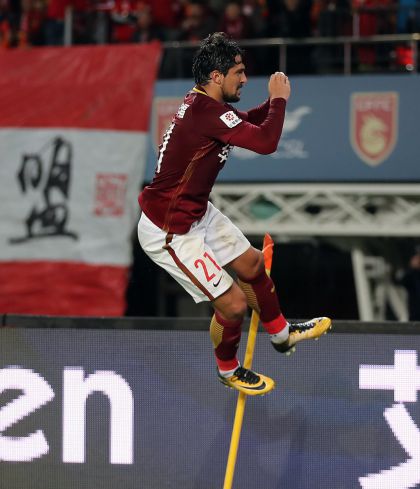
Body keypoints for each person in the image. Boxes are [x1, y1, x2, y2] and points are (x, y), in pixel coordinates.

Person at [137, 32, 331, 396]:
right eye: (238, 72)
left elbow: (244, 120)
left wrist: (272, 104)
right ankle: (227, 370)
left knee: (253, 264)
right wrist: (278, 101)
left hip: (196, 213)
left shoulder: (206, 106)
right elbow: (266, 142)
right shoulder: (205, 113)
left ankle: (282, 336)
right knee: (233, 305)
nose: (244, 78)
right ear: (216, 76)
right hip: (170, 232)